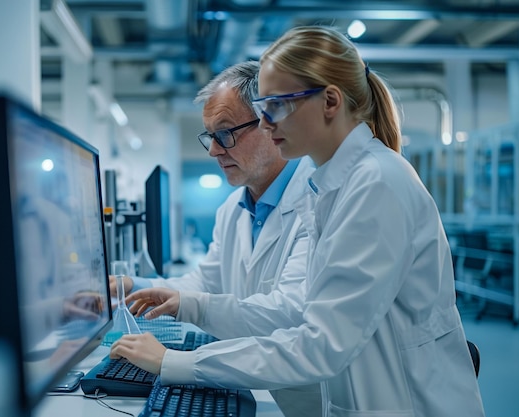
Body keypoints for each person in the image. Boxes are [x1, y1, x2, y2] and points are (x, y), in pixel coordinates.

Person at [110, 25, 485, 416]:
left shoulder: (376, 184)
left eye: (276, 105)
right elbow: (296, 315)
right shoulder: (335, 185)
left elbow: (320, 342)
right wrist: (176, 302)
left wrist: (175, 362)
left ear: (330, 102)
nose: (267, 123)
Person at [113, 61, 319, 417]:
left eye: (226, 133)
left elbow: (290, 315)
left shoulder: (316, 202)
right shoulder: (234, 208)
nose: (213, 151)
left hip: (318, 398)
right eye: (210, 136)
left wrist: (176, 350)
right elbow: (205, 281)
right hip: (271, 390)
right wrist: (135, 285)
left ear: (271, 122)